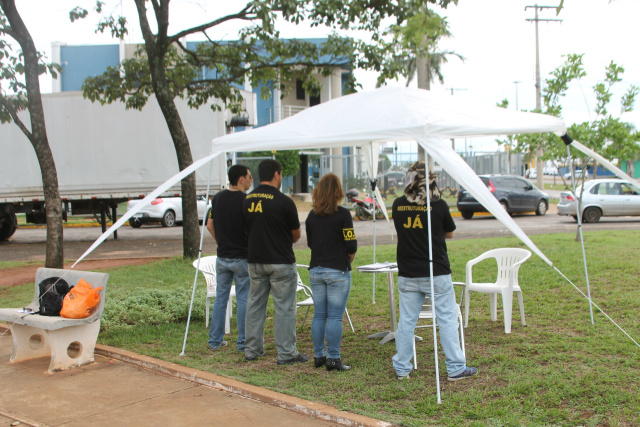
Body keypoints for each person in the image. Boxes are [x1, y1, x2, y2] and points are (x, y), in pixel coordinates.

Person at [391, 161, 478, 381]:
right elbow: (449, 233)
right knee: (447, 319)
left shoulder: (397, 204)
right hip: (435, 270)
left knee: (407, 321)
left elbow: (402, 233)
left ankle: (402, 368)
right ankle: (456, 368)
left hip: (408, 272)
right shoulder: (439, 206)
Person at [242, 159, 307, 365]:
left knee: (254, 305)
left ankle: (252, 350)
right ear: (277, 174)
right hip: (280, 261)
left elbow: (246, 230)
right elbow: (296, 234)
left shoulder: (247, 200)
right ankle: (286, 353)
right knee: (285, 307)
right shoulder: (284, 202)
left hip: (255, 261)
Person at [305, 173, 357, 372]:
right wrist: (348, 257)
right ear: (338, 192)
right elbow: (350, 243)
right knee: (335, 316)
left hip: (316, 270)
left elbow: (310, 243)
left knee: (319, 315)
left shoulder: (311, 216)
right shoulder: (343, 215)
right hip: (337, 270)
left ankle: (319, 355)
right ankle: (334, 358)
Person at [206, 164, 253, 351]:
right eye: (249, 177)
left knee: (221, 298)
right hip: (242, 257)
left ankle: (215, 341)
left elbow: (210, 225)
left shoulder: (217, 198)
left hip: (222, 257)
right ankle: (243, 342)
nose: (251, 180)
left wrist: (222, 241)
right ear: (241, 179)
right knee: (243, 299)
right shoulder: (247, 201)